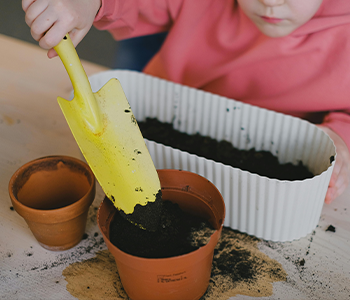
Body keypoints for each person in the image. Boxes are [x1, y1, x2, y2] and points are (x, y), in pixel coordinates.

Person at [22, 0, 350, 204]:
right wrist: (91, 2)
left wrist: (340, 138)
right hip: (160, 149)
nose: (271, 2)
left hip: (271, 181)